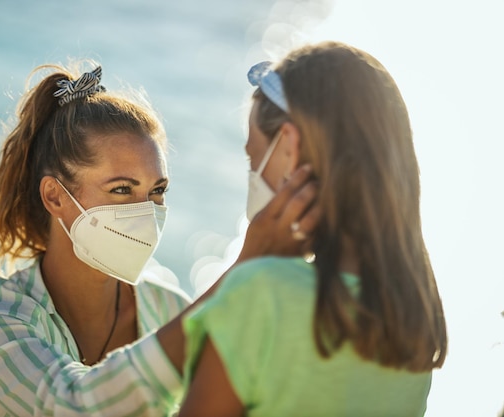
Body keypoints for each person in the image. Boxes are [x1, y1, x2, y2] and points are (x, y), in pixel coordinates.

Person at [0, 61, 318, 416]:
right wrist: (243, 269)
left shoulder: (168, 308)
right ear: (56, 197)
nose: (146, 212)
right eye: (122, 189)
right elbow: (73, 405)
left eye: (157, 191)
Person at [178, 40, 448, 417]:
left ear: (289, 147)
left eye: (254, 159)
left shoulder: (261, 293)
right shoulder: (414, 317)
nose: (253, 176)